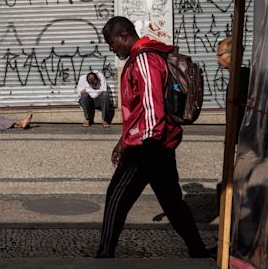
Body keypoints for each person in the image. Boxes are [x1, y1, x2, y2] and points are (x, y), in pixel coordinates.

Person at [96, 16, 213, 258]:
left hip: (149, 144)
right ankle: (198, 251)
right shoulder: (141, 58)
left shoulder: (144, 60)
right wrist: (123, 140)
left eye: (111, 42)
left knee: (116, 196)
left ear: (124, 36)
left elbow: (152, 107)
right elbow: (138, 110)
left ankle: (104, 255)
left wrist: (143, 147)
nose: (111, 48)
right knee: (172, 202)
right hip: (156, 142)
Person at [216, 36, 251, 139]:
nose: (217, 59)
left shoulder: (242, 78)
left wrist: (235, 137)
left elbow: (241, 111)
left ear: (233, 54)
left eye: (220, 55)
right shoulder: (237, 76)